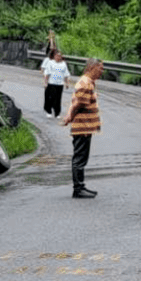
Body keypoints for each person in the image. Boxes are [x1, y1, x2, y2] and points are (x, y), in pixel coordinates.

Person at [62, 58, 103, 199]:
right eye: (100, 68)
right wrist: (70, 117)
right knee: (79, 158)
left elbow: (74, 103)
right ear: (92, 68)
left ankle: (80, 186)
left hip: (84, 126)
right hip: (82, 126)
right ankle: (78, 188)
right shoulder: (85, 84)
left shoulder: (87, 83)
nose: (102, 71)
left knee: (81, 157)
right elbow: (78, 104)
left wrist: (69, 116)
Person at [40, 49, 70, 118]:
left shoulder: (63, 64)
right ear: (54, 56)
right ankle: (49, 111)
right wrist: (45, 83)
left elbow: (66, 74)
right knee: (50, 97)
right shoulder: (51, 63)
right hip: (51, 83)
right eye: (57, 56)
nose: (58, 57)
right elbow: (47, 73)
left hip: (59, 84)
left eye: (59, 56)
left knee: (58, 99)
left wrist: (67, 83)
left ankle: (57, 113)